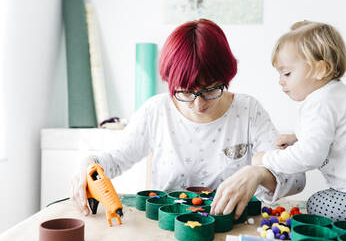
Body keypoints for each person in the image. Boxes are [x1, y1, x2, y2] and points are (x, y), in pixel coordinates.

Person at [71, 19, 305, 220]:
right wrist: (88, 164)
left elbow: (295, 178)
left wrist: (259, 174)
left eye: (210, 90)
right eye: (185, 92)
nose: (198, 104)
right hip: (167, 230)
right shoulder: (157, 110)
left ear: (226, 77)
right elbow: (114, 159)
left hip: (230, 229)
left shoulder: (247, 111)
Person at [252, 21, 346, 224]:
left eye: (287, 73)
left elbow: (310, 156)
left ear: (321, 69)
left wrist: (266, 160)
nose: (281, 81)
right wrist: (297, 138)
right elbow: (333, 133)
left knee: (316, 204)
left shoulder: (320, 103)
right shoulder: (337, 93)